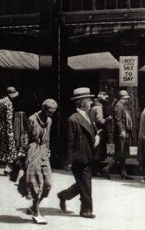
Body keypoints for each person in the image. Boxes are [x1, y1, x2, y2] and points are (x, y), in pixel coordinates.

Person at [57, 87, 100, 219]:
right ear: (81, 102)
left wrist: (97, 137)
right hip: (79, 157)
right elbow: (69, 142)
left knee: (83, 182)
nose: (91, 103)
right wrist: (69, 161)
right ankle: (86, 210)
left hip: (88, 155)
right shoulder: (73, 119)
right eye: (89, 100)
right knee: (86, 183)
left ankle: (64, 195)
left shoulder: (87, 116)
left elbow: (93, 131)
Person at [18, 99, 58, 225]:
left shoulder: (50, 121)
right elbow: (26, 136)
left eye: (53, 113)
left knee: (48, 183)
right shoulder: (32, 119)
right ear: (43, 109)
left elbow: (47, 138)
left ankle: (33, 207)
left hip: (44, 151)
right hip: (33, 150)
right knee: (36, 182)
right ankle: (36, 212)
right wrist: (23, 152)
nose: (50, 115)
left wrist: (48, 150)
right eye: (49, 113)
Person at [102, 90, 132, 179]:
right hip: (121, 134)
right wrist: (122, 131)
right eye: (126, 98)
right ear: (122, 98)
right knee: (120, 153)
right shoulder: (118, 106)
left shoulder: (123, 106)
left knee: (123, 153)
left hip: (124, 132)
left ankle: (123, 172)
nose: (127, 100)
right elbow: (118, 120)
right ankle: (107, 168)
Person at [0, 86, 19, 175]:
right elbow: (8, 119)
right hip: (5, 127)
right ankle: (7, 168)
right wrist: (10, 131)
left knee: (0, 147)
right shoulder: (9, 103)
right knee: (10, 147)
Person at [89, 91, 111, 177]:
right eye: (106, 97)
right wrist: (108, 119)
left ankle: (93, 170)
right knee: (98, 151)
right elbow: (100, 120)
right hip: (99, 131)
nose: (107, 99)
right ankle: (95, 170)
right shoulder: (99, 108)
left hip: (93, 131)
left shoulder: (93, 107)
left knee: (95, 150)